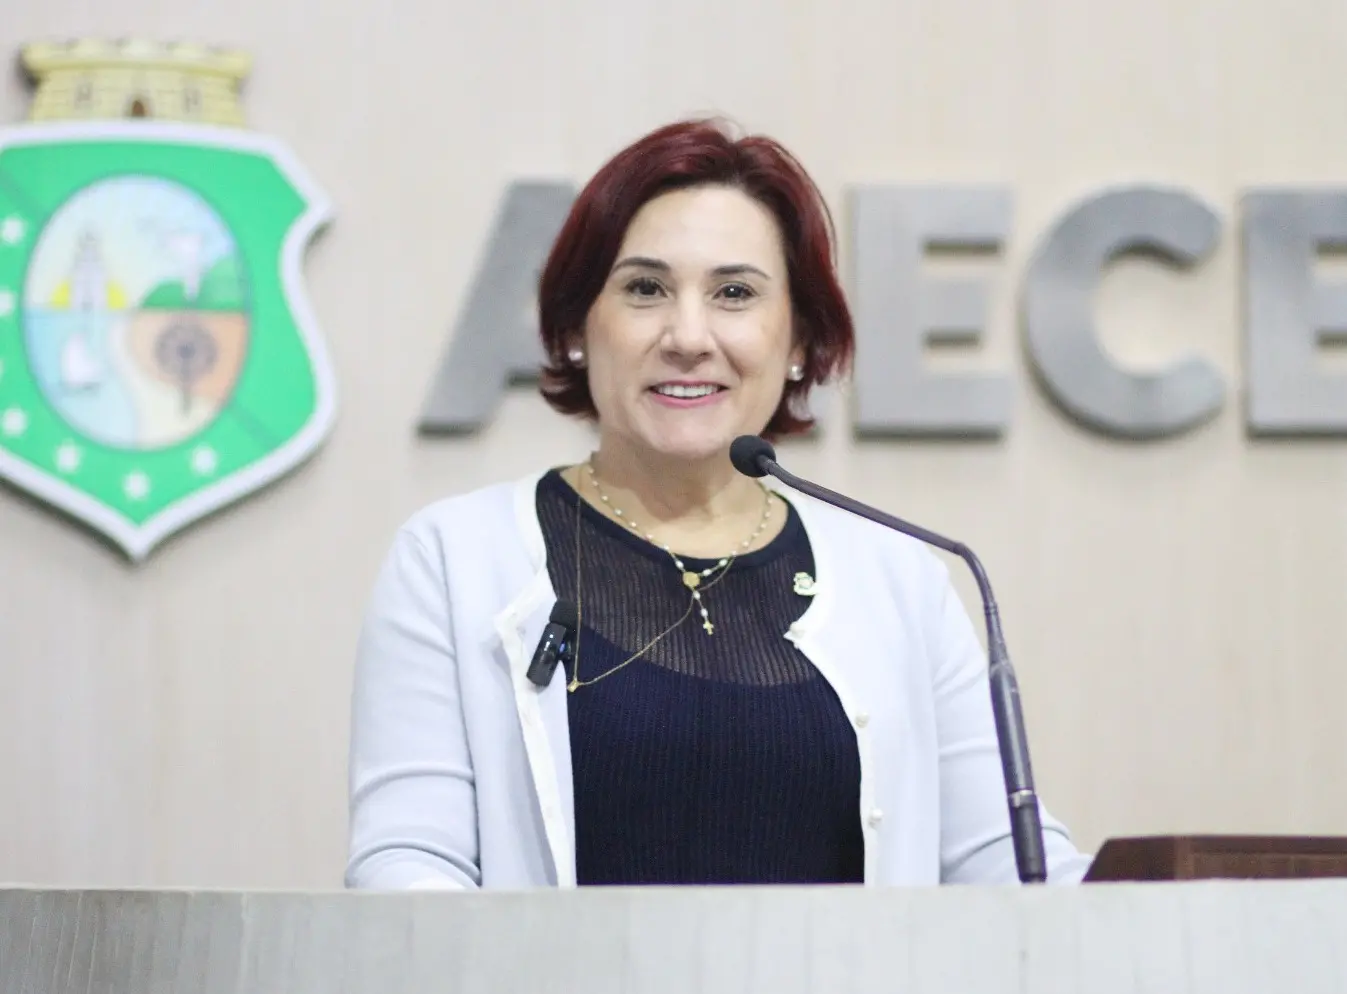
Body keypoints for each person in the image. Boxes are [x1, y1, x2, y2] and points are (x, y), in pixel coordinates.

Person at [344, 118, 1093, 890]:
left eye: (734, 293)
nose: (688, 336)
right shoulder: (453, 557)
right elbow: (408, 869)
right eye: (645, 289)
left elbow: (1008, 869)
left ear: (799, 337)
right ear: (576, 325)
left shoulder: (901, 578)